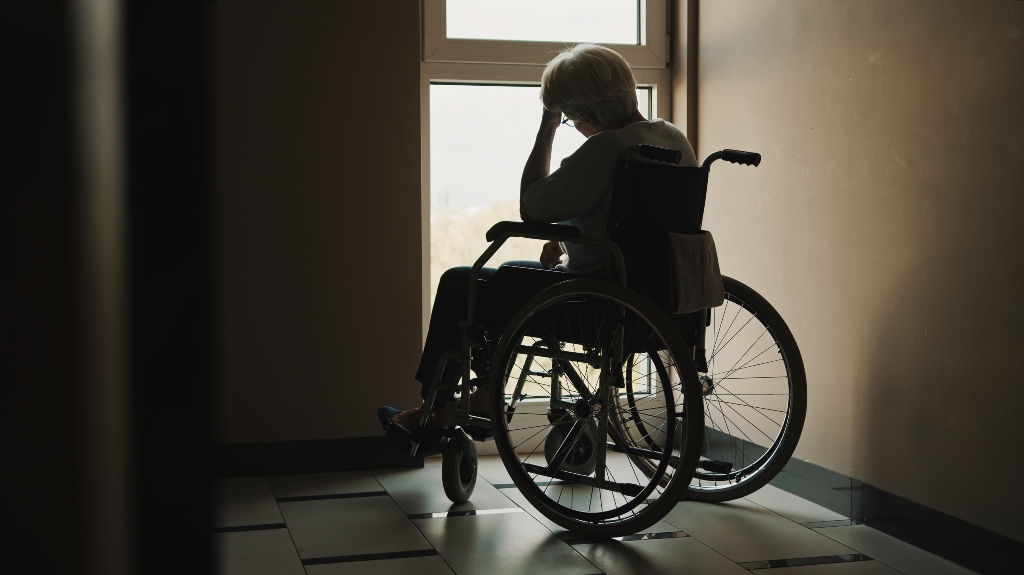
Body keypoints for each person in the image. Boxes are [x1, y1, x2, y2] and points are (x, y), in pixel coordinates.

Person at [377, 44, 697, 434]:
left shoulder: (606, 148)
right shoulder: (673, 139)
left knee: (464, 282)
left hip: (593, 303)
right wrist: (572, 239)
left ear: (583, 114)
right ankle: (481, 394)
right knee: (508, 279)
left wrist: (546, 125)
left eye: (568, 119)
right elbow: (630, 220)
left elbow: (532, 206)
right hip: (655, 297)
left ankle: (436, 409)